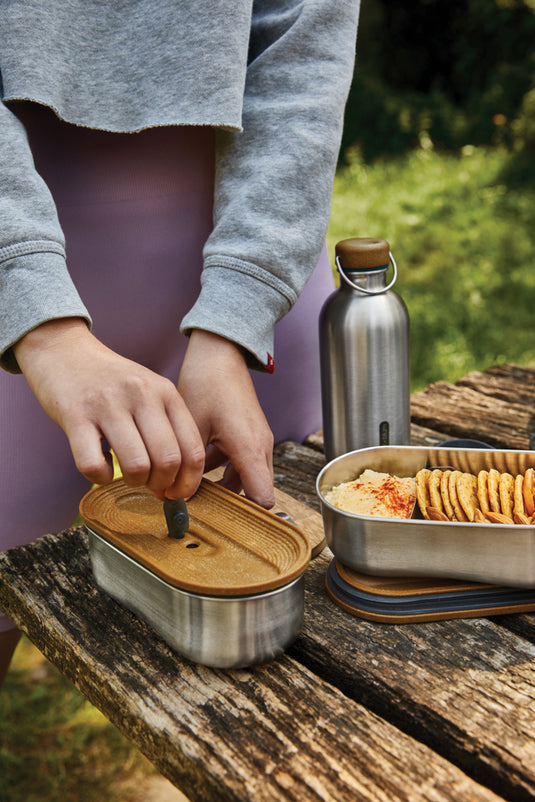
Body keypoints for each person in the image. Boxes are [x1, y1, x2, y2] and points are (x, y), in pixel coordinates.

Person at [0, 0, 360, 683]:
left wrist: (233, 321)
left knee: (299, 676)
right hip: (14, 293)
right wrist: (39, 325)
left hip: (251, 285)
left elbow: (303, 49)